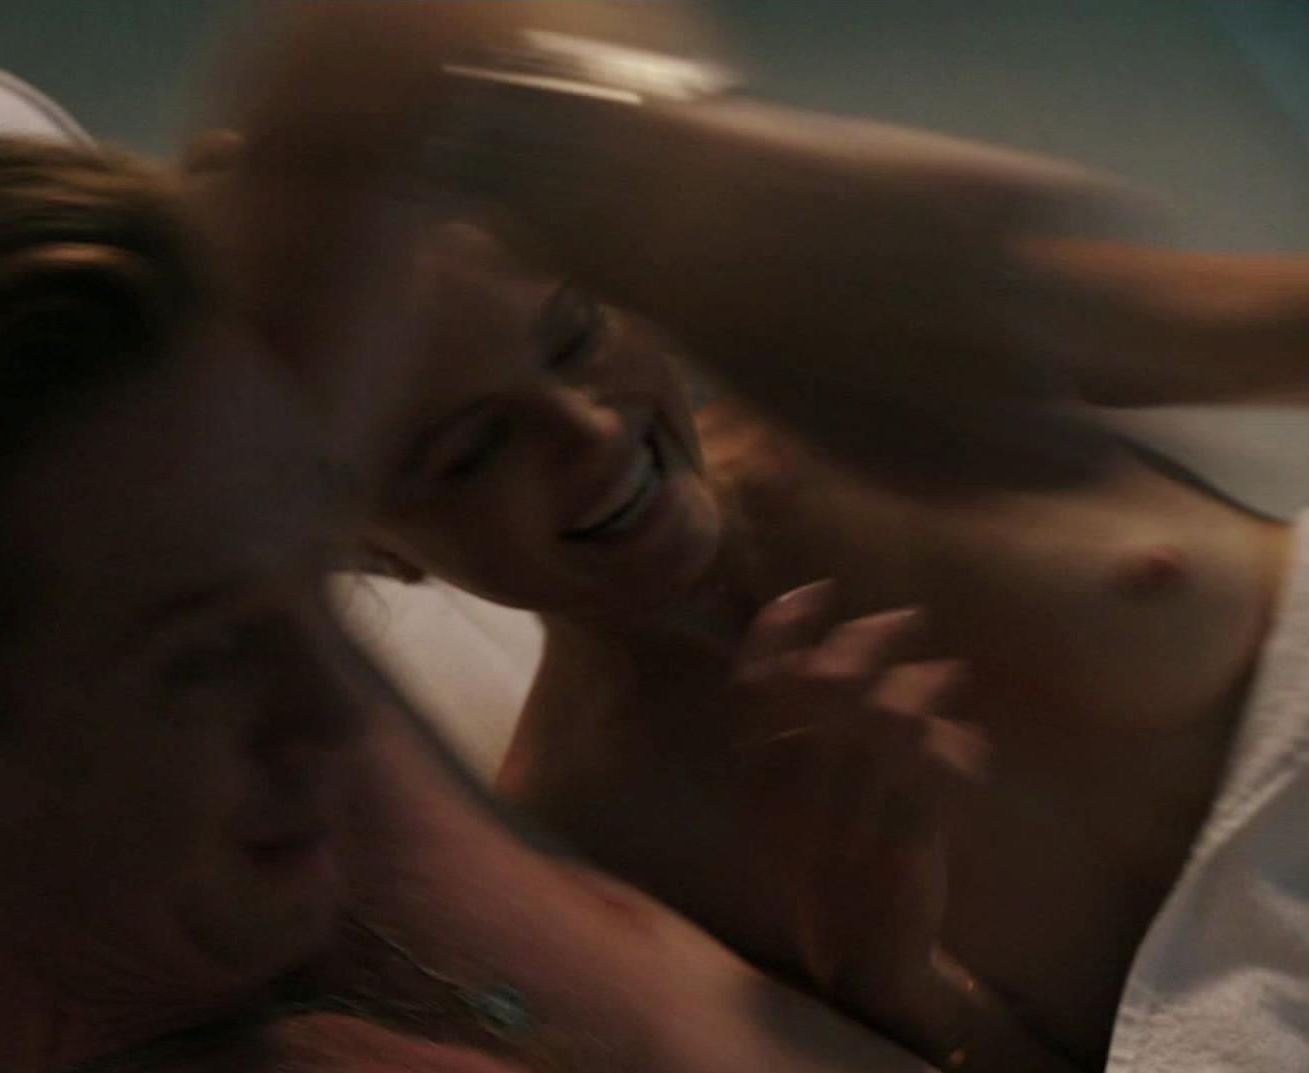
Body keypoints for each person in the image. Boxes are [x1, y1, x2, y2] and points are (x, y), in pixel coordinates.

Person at [0, 134, 1026, 1073]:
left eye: (313, 567)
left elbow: (381, 95)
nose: (338, 701)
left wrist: (890, 975)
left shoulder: (225, 709)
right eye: (202, 659)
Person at [216, 3, 1309, 1067]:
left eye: (576, 337)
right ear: (381, 552)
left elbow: (1259, 332)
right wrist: (886, 961)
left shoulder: (862, 365)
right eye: (474, 449)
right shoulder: (593, 834)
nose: (588, 429)